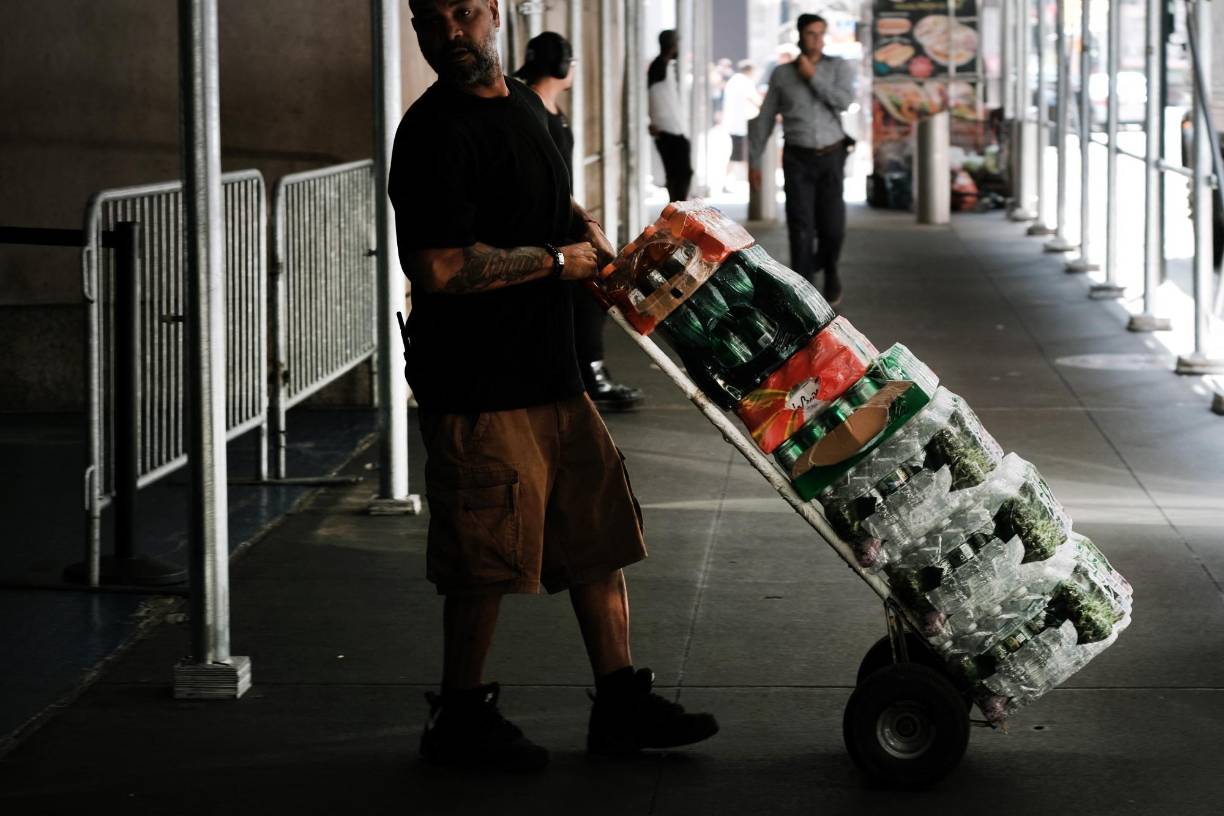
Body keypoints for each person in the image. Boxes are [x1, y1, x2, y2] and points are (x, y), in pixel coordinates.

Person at [389, 0, 719, 772]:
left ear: (495, 14)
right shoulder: (432, 132)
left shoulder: (529, 110)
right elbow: (436, 267)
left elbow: (544, 197)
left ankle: (621, 703)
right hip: (477, 383)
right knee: (484, 557)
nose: (452, 34)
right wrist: (555, 261)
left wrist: (586, 230)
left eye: (465, 14)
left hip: (550, 372)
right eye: (432, 23)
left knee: (596, 536)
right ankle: (460, 720)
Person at [514, 31, 644, 412]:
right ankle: (590, 374)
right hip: (546, 221)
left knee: (584, 297)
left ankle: (582, 373)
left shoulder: (552, 110)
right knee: (590, 293)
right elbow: (541, 177)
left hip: (562, 215)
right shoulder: (534, 109)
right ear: (561, 67)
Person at [748, 13, 856, 307]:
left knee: (833, 227)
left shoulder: (838, 67)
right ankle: (804, 291)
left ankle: (830, 268)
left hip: (832, 155)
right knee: (800, 226)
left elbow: (845, 101)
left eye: (821, 34)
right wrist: (754, 162)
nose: (817, 40)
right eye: (811, 34)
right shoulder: (782, 74)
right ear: (799, 35)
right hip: (798, 157)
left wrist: (813, 76)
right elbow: (766, 118)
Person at [648, 29, 693, 202]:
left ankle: (678, 207)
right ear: (672, 45)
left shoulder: (663, 66)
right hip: (668, 131)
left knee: (680, 174)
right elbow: (649, 95)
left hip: (672, 129)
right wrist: (651, 121)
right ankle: (677, 210)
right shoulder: (659, 66)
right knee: (679, 175)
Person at [720, 60, 761, 186]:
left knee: (739, 153)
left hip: (734, 123)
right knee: (740, 154)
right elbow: (753, 98)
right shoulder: (745, 82)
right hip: (741, 124)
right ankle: (747, 180)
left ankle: (742, 179)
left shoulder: (734, 81)